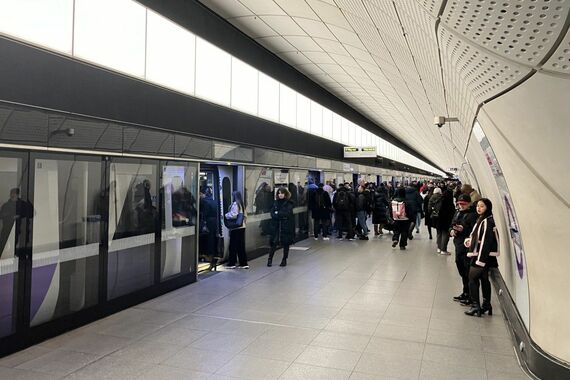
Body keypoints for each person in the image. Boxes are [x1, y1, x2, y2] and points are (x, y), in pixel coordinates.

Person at [464, 198, 499, 317]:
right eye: (478, 206)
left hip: (482, 256)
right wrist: (470, 241)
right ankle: (486, 305)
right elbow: (476, 236)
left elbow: (486, 242)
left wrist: (480, 260)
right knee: (484, 279)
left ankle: (475, 306)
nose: (479, 208)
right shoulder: (483, 219)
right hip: (482, 255)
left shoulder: (487, 221)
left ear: (488, 207)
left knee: (472, 278)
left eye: (482, 206)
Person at [450, 194, 477, 303]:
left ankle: (471, 295)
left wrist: (463, 229)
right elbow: (451, 224)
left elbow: (474, 231)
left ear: (469, 203)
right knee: (460, 267)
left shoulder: (473, 215)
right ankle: (465, 292)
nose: (461, 206)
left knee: (467, 270)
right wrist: (451, 231)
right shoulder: (457, 213)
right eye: (459, 204)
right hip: (458, 244)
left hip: (467, 246)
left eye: (463, 204)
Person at [0, 188, 33, 258]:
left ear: (18, 195)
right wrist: (11, 216)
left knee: (16, 244)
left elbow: (30, 214)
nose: (13, 195)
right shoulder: (6, 205)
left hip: (20, 230)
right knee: (4, 244)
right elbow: (1, 215)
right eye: (12, 193)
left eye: (15, 194)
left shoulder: (23, 204)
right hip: (7, 229)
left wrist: (20, 216)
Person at [268, 187, 295, 267]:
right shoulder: (275, 203)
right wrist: (278, 214)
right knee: (274, 243)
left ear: (285, 194)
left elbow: (287, 214)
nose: (280, 195)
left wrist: (278, 213)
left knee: (286, 244)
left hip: (286, 226)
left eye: (282, 193)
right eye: (279, 193)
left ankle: (284, 259)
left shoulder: (289, 203)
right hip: (276, 226)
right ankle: (270, 259)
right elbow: (272, 214)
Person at [225, 190, 248, 269]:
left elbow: (233, 215)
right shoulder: (242, 204)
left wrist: (226, 215)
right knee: (241, 246)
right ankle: (243, 263)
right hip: (242, 227)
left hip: (236, 227)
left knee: (233, 246)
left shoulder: (235, 204)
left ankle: (232, 263)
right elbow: (244, 216)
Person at [199, 187, 219, 270]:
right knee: (213, 243)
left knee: (207, 243)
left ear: (202, 194)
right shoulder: (214, 201)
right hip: (214, 224)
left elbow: (204, 214)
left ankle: (208, 260)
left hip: (208, 224)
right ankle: (213, 262)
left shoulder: (204, 201)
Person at [435, 187, 455, 255]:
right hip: (446, 221)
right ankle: (443, 250)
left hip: (438, 220)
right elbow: (452, 214)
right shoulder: (450, 204)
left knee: (439, 234)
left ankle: (439, 248)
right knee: (445, 235)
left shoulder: (439, 201)